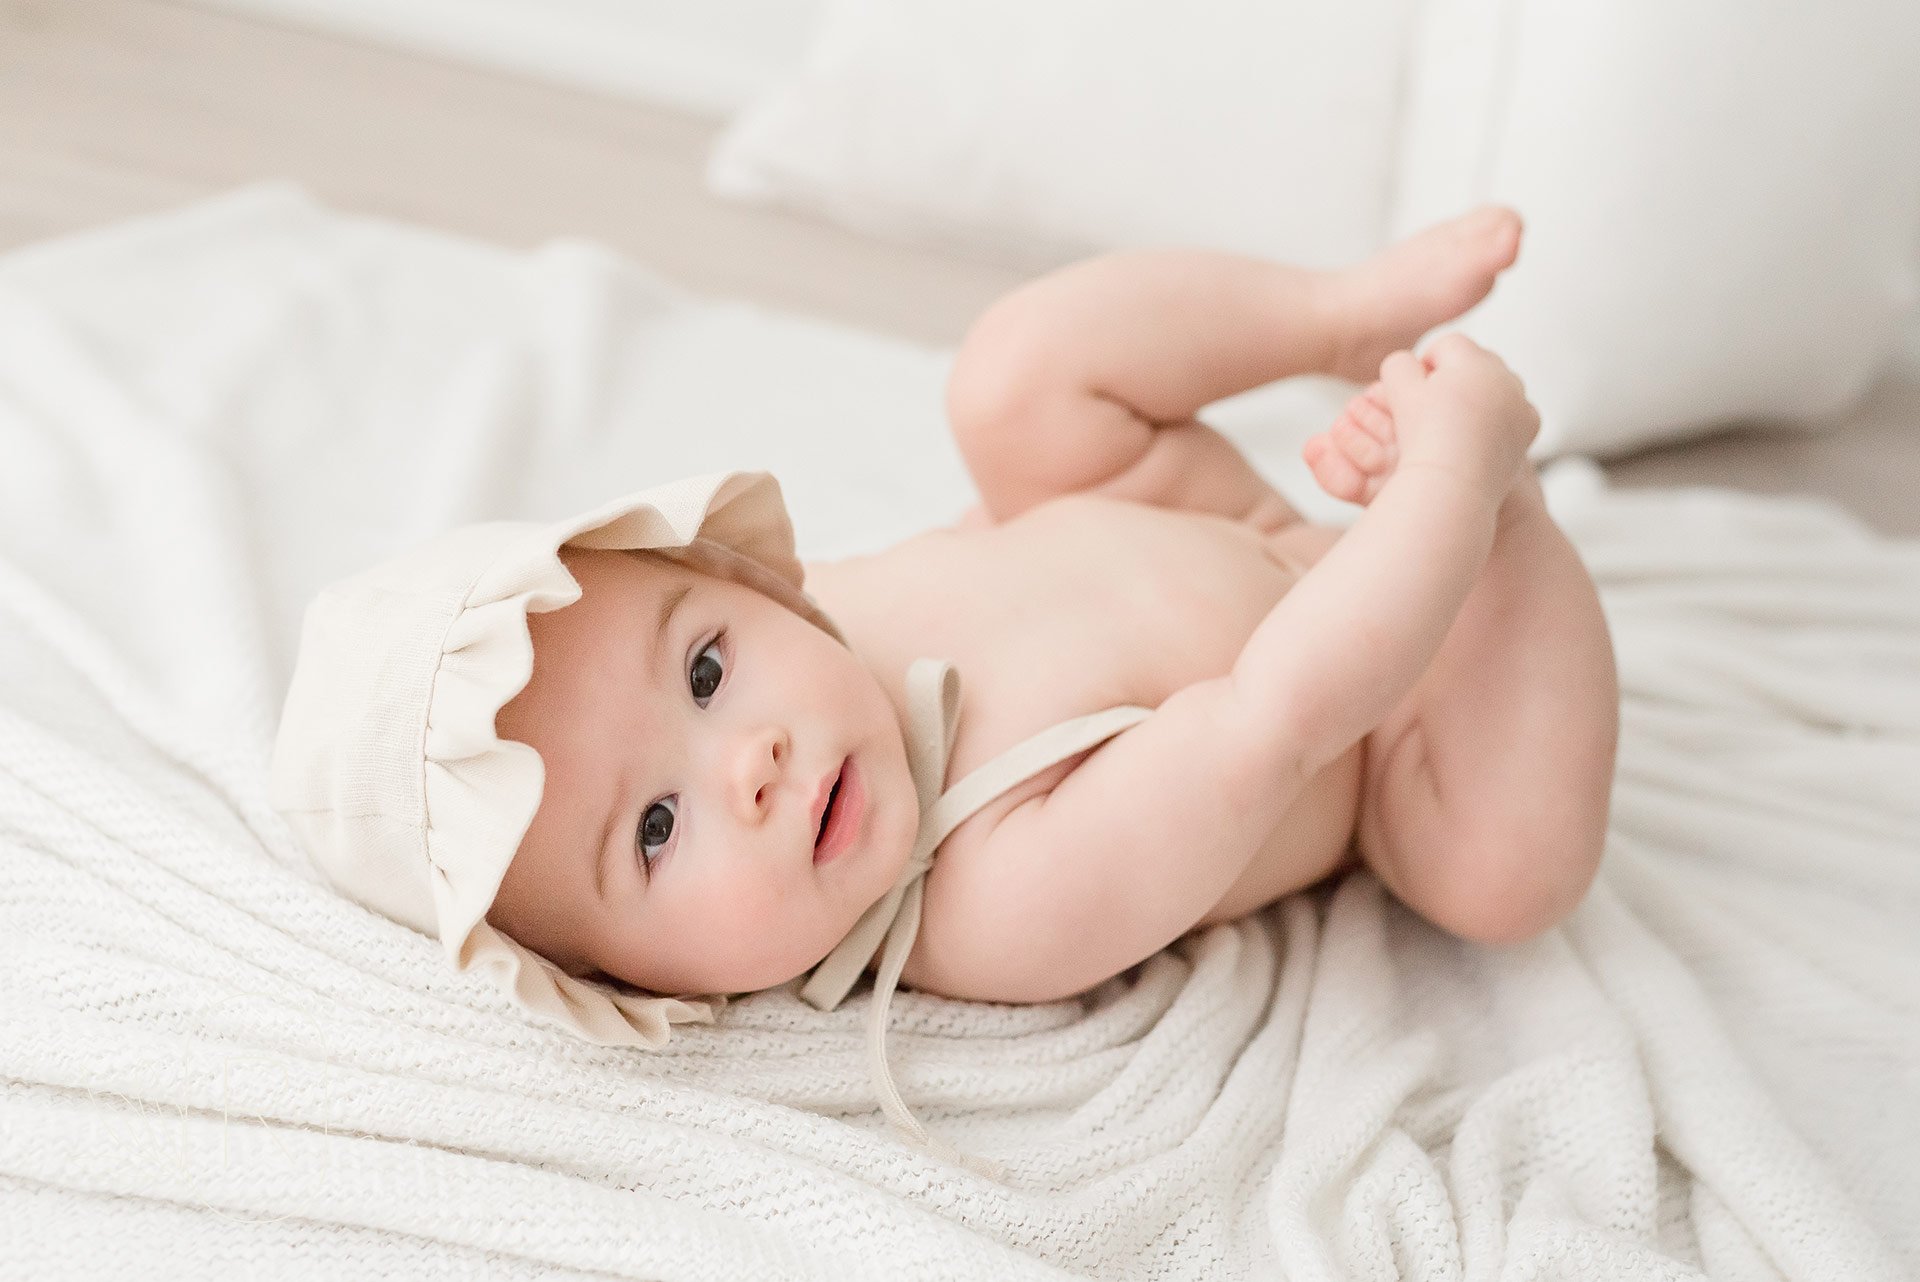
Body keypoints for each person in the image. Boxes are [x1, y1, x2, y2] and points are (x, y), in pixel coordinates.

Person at [270, 205, 1619, 1169]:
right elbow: (1275, 718)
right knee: (1503, 869)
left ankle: (1336, 315)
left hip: (1208, 519)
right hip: (1394, 722)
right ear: (646, 986)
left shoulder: (825, 624)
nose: (745, 757)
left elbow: (995, 540)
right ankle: (1505, 513)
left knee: (1011, 380)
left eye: (702, 666)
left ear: (743, 583)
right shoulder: (994, 900)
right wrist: (1439, 490)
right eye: (657, 828)